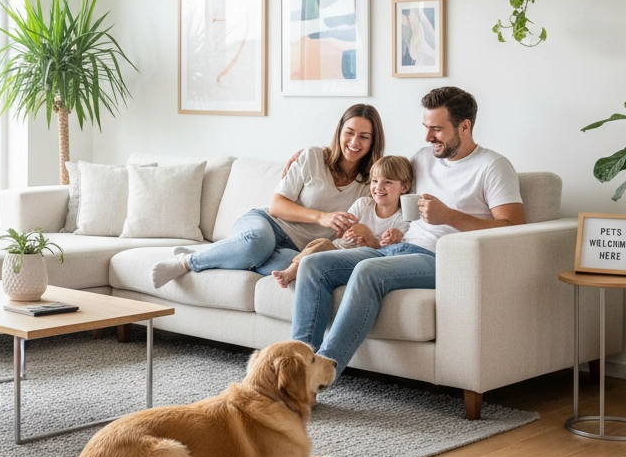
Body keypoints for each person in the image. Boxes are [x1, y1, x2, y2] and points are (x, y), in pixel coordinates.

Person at [290, 86, 525, 365]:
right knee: (313, 265)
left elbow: (514, 228)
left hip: (443, 260)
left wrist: (449, 216)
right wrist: (313, 156)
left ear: (464, 126)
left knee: (368, 270)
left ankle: (322, 374)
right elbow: (384, 177)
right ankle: (297, 365)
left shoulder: (493, 166)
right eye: (426, 127)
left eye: (437, 129)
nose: (428, 137)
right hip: (400, 250)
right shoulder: (423, 158)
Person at [150, 104, 385, 289]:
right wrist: (321, 217)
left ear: (373, 141)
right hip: (267, 224)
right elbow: (277, 206)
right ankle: (187, 262)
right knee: (258, 243)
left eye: (364, 136)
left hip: (299, 249)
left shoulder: (372, 183)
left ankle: (226, 253)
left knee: (300, 267)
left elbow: (393, 190)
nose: (354, 142)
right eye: (349, 132)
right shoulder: (312, 157)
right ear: (339, 132)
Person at [272, 154, 412, 288]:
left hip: (358, 261)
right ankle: (292, 270)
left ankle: (297, 269)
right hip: (339, 250)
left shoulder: (402, 220)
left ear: (404, 187)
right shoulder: (363, 204)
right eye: (375, 181)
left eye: (387, 182)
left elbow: (385, 257)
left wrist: (369, 237)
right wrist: (350, 234)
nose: (378, 187)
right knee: (321, 243)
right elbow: (340, 235)